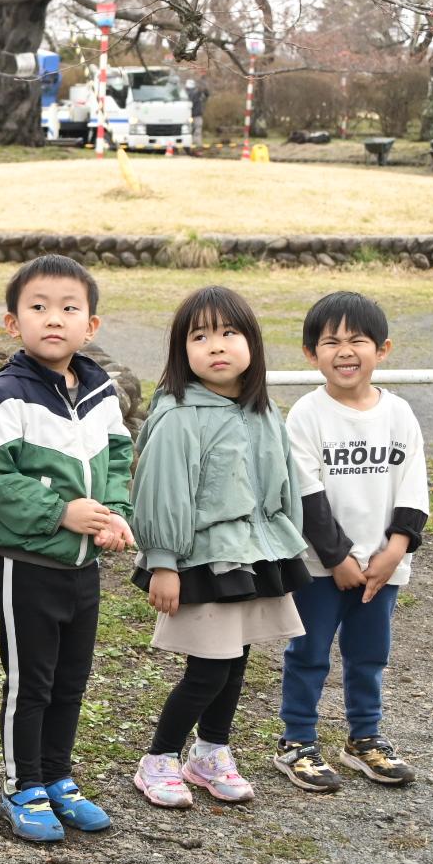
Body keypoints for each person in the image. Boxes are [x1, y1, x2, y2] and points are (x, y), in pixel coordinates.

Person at [0, 255, 133, 844]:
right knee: (29, 681)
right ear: (13, 323)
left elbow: (117, 457)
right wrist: (60, 512)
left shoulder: (99, 390)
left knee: (71, 678)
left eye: (69, 308)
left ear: (92, 324)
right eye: (38, 308)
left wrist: (115, 517)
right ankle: (23, 784)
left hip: (82, 570)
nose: (53, 319)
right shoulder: (6, 396)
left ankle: (59, 775)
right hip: (28, 567)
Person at [128, 286, 310, 809]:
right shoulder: (180, 416)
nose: (216, 346)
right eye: (200, 335)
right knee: (208, 665)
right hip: (201, 558)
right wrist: (162, 562)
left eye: (229, 332)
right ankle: (159, 759)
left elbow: (286, 485)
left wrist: (286, 543)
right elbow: (161, 494)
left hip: (255, 555)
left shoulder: (264, 411)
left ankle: (210, 752)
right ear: (181, 351)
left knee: (236, 660)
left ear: (251, 342)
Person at [276, 291, 428, 792]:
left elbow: (413, 486)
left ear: (382, 349)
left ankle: (364, 739)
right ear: (310, 353)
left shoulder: (400, 414)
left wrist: (395, 549)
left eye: (357, 340)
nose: (345, 351)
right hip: (323, 568)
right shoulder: (306, 415)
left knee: (369, 655)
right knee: (310, 653)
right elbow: (306, 494)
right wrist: (337, 558)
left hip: (382, 568)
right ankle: (297, 741)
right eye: (331, 341)